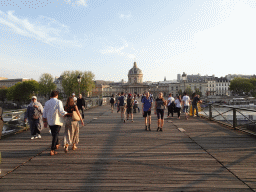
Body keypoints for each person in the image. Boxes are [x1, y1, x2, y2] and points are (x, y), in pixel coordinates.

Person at [43, 91, 67, 156]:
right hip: (57, 120)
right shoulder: (58, 102)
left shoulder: (47, 102)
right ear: (57, 95)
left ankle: (57, 143)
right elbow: (61, 111)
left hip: (50, 121)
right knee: (55, 134)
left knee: (54, 133)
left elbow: (44, 112)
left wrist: (44, 120)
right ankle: (52, 149)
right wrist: (67, 113)